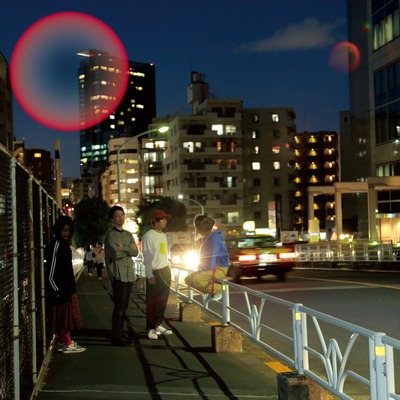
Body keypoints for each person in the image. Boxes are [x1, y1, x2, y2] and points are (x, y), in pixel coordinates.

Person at [45, 215, 86, 354]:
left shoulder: (63, 244)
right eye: (63, 230)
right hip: (60, 290)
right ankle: (66, 343)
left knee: (68, 319)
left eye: (68, 230)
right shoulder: (56, 245)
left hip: (67, 289)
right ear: (58, 230)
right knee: (64, 319)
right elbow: (51, 270)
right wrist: (55, 289)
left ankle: (64, 342)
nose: (66, 233)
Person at [104, 206, 139, 346]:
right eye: (117, 216)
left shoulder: (128, 234)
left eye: (122, 215)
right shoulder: (110, 235)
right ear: (112, 219)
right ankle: (116, 336)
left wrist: (122, 248)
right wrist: (127, 249)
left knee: (124, 306)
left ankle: (121, 332)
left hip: (129, 274)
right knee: (119, 306)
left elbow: (136, 252)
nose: (120, 218)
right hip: (118, 275)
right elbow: (115, 254)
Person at [142, 209, 173, 340]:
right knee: (152, 301)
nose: (164, 221)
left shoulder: (163, 236)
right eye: (162, 219)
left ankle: (158, 323)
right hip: (155, 271)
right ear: (154, 221)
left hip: (165, 270)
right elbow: (147, 257)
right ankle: (150, 328)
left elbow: (163, 253)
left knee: (163, 300)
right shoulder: (148, 235)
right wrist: (149, 274)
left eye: (165, 219)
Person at [185, 216, 229, 303]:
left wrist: (202, 270)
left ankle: (218, 290)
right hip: (211, 267)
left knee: (197, 280)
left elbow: (212, 258)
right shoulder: (208, 238)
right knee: (188, 279)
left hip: (218, 268)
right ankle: (212, 291)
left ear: (199, 228)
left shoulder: (214, 239)